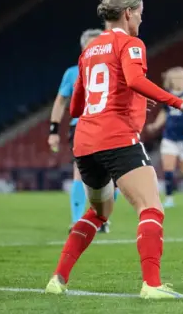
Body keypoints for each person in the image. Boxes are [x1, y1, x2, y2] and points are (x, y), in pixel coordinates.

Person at [44, 0, 183, 298]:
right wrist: (178, 102)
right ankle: (151, 284)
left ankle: (58, 279)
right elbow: (134, 80)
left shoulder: (89, 51)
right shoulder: (131, 43)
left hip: (85, 140)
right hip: (116, 137)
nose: (141, 21)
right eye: (140, 15)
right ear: (128, 13)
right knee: (151, 207)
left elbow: (78, 104)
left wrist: (123, 101)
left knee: (96, 213)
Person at [49, 28, 119, 234]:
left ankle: (101, 218)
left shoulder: (114, 70)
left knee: (111, 177)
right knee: (79, 173)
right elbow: (60, 101)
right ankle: (77, 221)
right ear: (83, 48)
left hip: (110, 127)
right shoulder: (73, 73)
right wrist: (53, 130)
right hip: (81, 127)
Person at [146, 67, 183, 207]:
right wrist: (155, 125)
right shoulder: (168, 95)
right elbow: (165, 112)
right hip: (169, 137)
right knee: (168, 168)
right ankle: (169, 198)